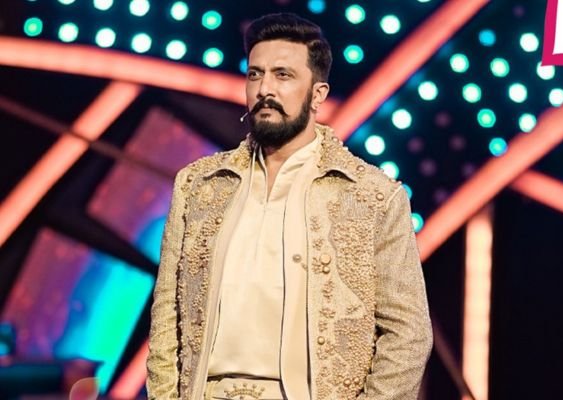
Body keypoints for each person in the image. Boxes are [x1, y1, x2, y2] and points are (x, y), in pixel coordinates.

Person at [146, 12, 432, 400]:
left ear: (318, 94)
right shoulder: (199, 186)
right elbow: (167, 317)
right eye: (255, 75)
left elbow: (408, 334)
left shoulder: (372, 196)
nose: (265, 89)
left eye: (283, 75)